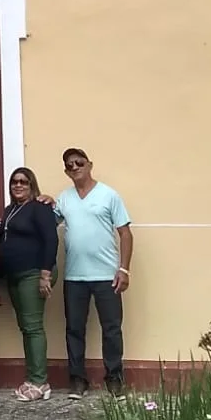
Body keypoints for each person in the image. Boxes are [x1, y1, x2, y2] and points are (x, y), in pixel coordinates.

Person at [53, 147, 133, 400]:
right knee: (74, 329)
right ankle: (77, 380)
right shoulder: (63, 199)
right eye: (70, 165)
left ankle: (114, 379)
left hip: (106, 276)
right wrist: (41, 200)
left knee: (112, 329)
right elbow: (45, 225)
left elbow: (125, 233)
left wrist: (124, 269)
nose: (75, 167)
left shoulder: (109, 195)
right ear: (66, 171)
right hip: (74, 276)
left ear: (89, 164)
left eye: (79, 163)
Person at [0, 166, 57, 402]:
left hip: (34, 273)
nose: (18, 185)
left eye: (24, 182)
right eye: (14, 182)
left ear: (32, 185)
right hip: (14, 275)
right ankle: (31, 378)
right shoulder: (11, 210)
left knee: (33, 326)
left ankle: (41, 382)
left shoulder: (40, 208)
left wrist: (45, 275)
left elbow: (51, 240)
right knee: (25, 327)